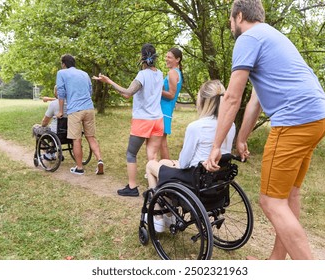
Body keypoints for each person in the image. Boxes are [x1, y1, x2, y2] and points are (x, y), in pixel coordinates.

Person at [204, 0, 325, 260]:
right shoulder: (272, 35)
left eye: (230, 20)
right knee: (288, 194)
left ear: (239, 16)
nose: (230, 26)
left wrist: (216, 146)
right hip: (319, 117)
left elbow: (231, 98)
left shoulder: (247, 38)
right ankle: (275, 263)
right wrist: (241, 138)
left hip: (294, 120)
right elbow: (256, 99)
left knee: (271, 201)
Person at [145, 80, 235, 232]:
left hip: (194, 180)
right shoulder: (230, 125)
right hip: (215, 180)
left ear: (203, 101)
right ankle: (168, 215)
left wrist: (176, 163)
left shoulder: (196, 127)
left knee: (151, 165)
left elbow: (185, 162)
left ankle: (160, 216)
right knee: (165, 161)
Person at [92, 43, 164, 197]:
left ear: (142, 57)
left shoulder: (142, 75)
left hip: (142, 121)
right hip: (158, 120)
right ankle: (156, 189)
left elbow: (128, 93)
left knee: (131, 154)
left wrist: (108, 81)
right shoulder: (160, 73)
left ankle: (132, 188)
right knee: (152, 156)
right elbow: (130, 94)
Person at [56, 54, 104, 176]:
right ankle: (99, 160)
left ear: (64, 64)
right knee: (91, 137)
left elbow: (61, 93)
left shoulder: (62, 73)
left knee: (76, 139)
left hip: (75, 110)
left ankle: (79, 167)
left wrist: (61, 111)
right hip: (89, 108)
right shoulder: (84, 74)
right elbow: (90, 90)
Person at [160, 47, 183, 159]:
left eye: (169, 57)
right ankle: (161, 167)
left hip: (164, 110)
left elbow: (171, 95)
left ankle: (165, 168)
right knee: (160, 142)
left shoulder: (173, 73)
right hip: (165, 110)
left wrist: (156, 91)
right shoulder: (175, 72)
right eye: (166, 57)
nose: (166, 59)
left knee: (161, 143)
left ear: (177, 59)